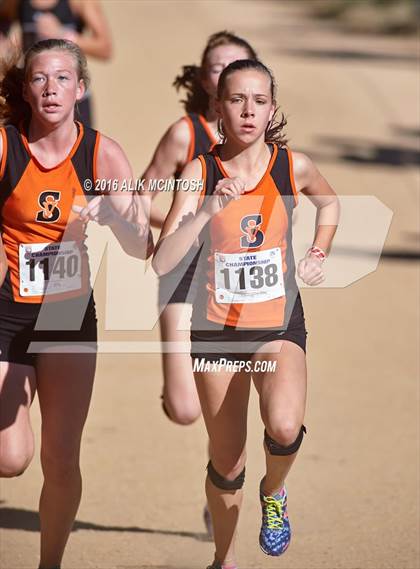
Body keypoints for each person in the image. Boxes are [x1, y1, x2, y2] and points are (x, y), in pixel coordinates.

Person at [153, 59, 339, 569]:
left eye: (259, 100)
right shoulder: (199, 172)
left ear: (272, 107)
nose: (248, 110)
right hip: (215, 332)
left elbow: (329, 203)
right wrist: (208, 209)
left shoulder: (291, 166)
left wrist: (320, 250)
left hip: (277, 324)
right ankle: (223, 559)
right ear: (217, 108)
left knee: (283, 426)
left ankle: (274, 493)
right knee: (226, 460)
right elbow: (163, 261)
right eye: (236, 100)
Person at [0, 38, 151, 569]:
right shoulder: (4, 146)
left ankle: (50, 565)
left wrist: (117, 217)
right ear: (25, 88)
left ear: (81, 89)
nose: (50, 88)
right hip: (7, 306)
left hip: (66, 310)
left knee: (60, 459)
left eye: (63, 78)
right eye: (40, 78)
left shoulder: (101, 154)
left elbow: (141, 248)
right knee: (9, 458)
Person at [144, 31, 258, 426]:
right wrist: (188, 227)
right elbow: (142, 201)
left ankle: (225, 470)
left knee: (227, 404)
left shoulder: (262, 141)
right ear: (206, 82)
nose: (227, 72)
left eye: (236, 65)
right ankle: (178, 389)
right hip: (185, 271)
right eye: (217, 67)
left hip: (238, 274)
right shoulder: (184, 134)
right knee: (185, 409)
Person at [0, 0, 112, 126]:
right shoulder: (16, 3)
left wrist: (63, 34)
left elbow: (105, 49)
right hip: (32, 97)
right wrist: (8, 45)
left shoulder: (80, 3)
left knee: (79, 144)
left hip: (73, 101)